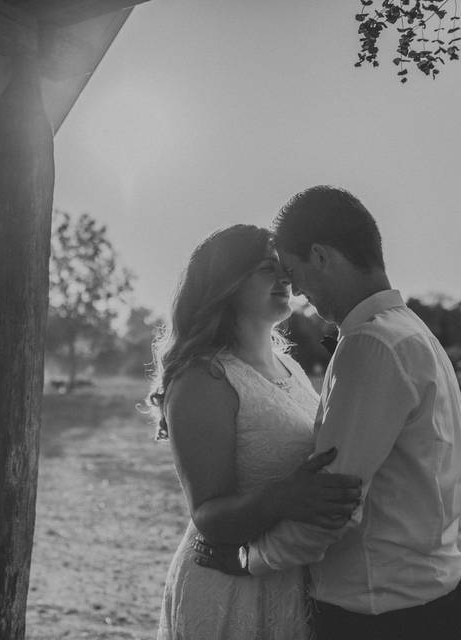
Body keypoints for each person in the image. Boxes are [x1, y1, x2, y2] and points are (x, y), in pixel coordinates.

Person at [197, 186, 461, 639]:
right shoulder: (410, 331)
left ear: (321, 256)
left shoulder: (371, 345)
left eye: (295, 273)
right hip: (434, 599)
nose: (298, 293)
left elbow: (334, 506)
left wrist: (248, 559)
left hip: (385, 615)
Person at [149, 224, 362, 639]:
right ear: (225, 283)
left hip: (292, 576)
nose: (285, 277)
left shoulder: (292, 368)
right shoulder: (203, 377)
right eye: (267, 268)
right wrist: (282, 498)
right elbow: (207, 515)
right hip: (229, 587)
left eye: (284, 267)